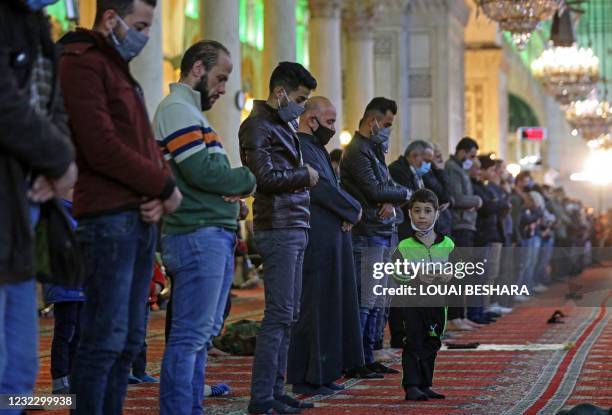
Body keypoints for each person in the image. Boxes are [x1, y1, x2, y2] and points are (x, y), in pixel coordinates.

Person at [58, 1, 183, 412]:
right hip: (108, 218)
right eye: (140, 25)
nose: (145, 36)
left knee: (128, 340)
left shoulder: (115, 67)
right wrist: (162, 186)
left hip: (135, 214)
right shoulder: (81, 60)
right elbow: (100, 145)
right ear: (111, 18)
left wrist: (153, 191)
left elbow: (142, 144)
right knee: (103, 338)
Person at [153, 40, 256, 415]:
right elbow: (202, 172)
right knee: (190, 337)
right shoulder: (177, 110)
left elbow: (207, 179)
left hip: (208, 232)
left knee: (199, 337)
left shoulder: (190, 112)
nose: (224, 88)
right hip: (197, 234)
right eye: (221, 77)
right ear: (197, 68)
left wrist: (230, 197)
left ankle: (189, 407)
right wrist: (246, 178)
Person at [0, 0, 77, 411]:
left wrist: (58, 162)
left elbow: (54, 106)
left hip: (26, 200)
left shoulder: (37, 27)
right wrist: (59, 160)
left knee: (21, 358)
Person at [239, 61, 319, 415]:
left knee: (289, 314)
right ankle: (261, 398)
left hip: (294, 224)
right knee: (279, 314)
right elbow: (264, 178)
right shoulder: (257, 126)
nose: (301, 106)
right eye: (300, 98)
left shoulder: (280, 125)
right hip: (278, 226)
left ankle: (275, 389)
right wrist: (305, 174)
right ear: (280, 92)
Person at [287, 97, 364, 396]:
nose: (333, 128)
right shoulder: (303, 145)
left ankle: (325, 372)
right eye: (330, 122)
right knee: (315, 309)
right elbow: (321, 189)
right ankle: (309, 376)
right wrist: (353, 210)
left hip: (330, 235)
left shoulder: (316, 147)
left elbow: (335, 187)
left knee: (331, 306)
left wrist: (346, 211)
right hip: (317, 237)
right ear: (311, 119)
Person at [340, 97, 409, 378]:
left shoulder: (374, 150)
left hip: (382, 231)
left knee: (379, 301)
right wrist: (402, 195)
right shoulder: (357, 151)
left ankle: (369, 355)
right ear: (374, 122)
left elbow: (387, 187)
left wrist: (393, 198)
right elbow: (375, 191)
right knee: (366, 301)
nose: (389, 130)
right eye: (388, 124)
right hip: (367, 232)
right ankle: (356, 360)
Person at [394, 189, 454, 401]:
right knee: (412, 343)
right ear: (410, 213)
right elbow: (396, 274)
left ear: (436, 214)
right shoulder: (404, 246)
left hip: (438, 304)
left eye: (427, 211)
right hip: (412, 304)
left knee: (432, 343)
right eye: (417, 211)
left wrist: (450, 274)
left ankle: (425, 384)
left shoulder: (448, 244)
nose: (422, 216)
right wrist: (416, 274)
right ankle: (411, 386)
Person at [444, 137, 482, 331]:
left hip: (466, 225)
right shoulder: (452, 168)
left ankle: (461, 315)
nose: (472, 159)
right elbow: (457, 198)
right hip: (459, 226)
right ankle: (454, 317)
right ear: (463, 152)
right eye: (472, 155)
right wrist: (476, 200)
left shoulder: (461, 169)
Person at [389, 140, 434, 241]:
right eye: (427, 161)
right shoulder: (397, 170)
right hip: (403, 228)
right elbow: (409, 201)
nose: (429, 166)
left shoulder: (417, 173)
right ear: (414, 156)